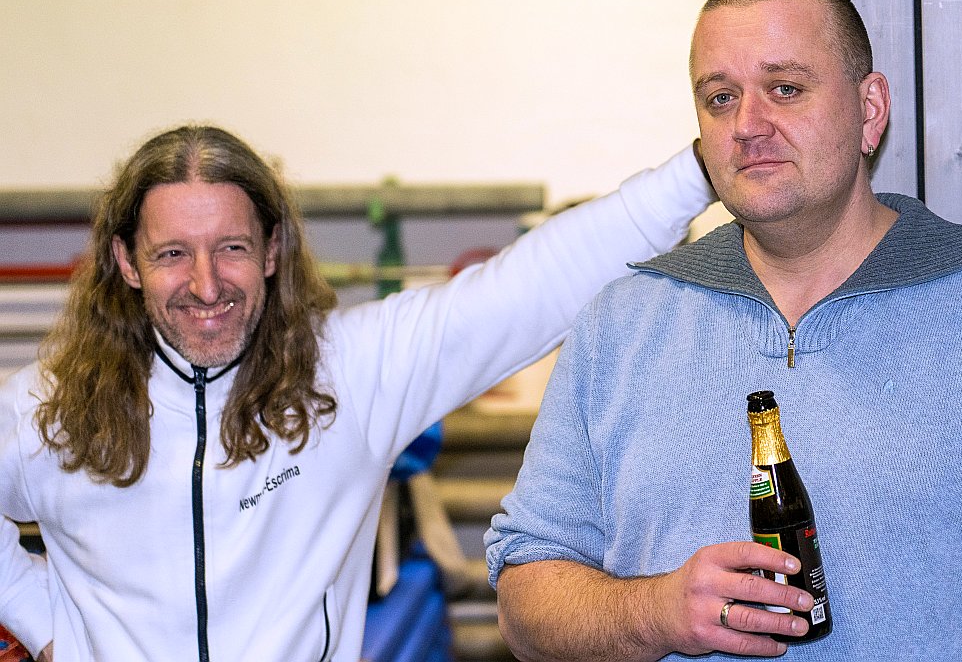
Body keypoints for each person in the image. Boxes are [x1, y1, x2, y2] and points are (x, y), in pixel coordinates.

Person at [486, 0, 962, 661]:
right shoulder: (619, 328)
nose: (747, 126)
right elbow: (521, 611)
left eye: (785, 89)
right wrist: (656, 613)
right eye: (720, 98)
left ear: (869, 110)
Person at [0, 124, 715, 662]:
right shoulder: (47, 409)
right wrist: (45, 625)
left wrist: (698, 171)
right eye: (172, 254)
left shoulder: (351, 375)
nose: (207, 285)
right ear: (126, 261)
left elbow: (532, 285)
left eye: (232, 248)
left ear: (272, 250)